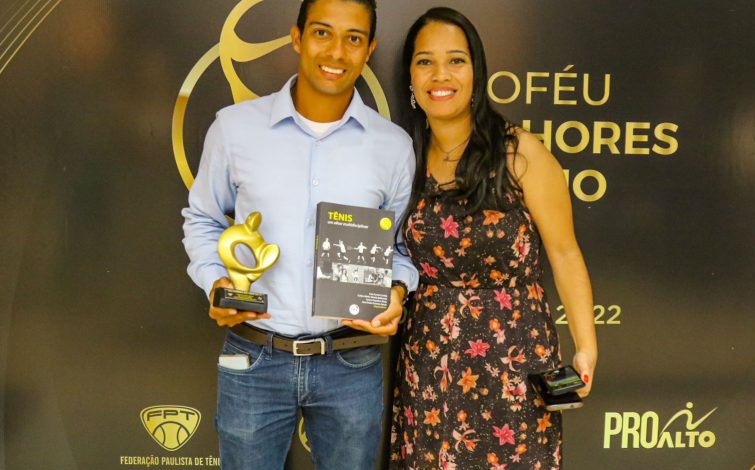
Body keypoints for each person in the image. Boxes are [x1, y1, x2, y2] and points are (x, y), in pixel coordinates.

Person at [181, 0, 418, 468]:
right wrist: (217, 283)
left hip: (351, 361)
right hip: (254, 356)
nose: (337, 51)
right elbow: (203, 218)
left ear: (369, 49)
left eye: (353, 38)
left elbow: (401, 248)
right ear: (297, 37)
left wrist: (395, 291)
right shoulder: (235, 129)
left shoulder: (393, 147)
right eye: (322, 33)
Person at [389, 7, 598, 468]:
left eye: (455, 60)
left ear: (476, 71)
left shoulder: (519, 152)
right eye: (425, 61)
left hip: (515, 365)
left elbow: (565, 253)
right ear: (410, 76)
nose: (440, 75)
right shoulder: (403, 158)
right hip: (431, 366)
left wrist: (586, 347)